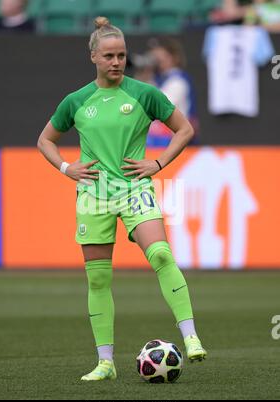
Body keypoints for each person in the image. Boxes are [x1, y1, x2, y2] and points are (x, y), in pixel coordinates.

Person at [37, 16, 207, 381]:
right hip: (93, 196)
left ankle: (191, 336)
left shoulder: (144, 93)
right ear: (94, 57)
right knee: (98, 280)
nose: (117, 62)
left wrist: (158, 162)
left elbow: (185, 129)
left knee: (161, 253)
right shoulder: (77, 100)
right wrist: (68, 168)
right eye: (110, 56)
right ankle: (105, 363)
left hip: (134, 189)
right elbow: (45, 139)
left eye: (122, 56)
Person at [146, 37, 199, 146]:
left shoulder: (178, 79)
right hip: (158, 142)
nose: (156, 59)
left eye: (161, 56)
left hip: (175, 141)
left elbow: (159, 104)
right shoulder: (158, 79)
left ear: (173, 58)